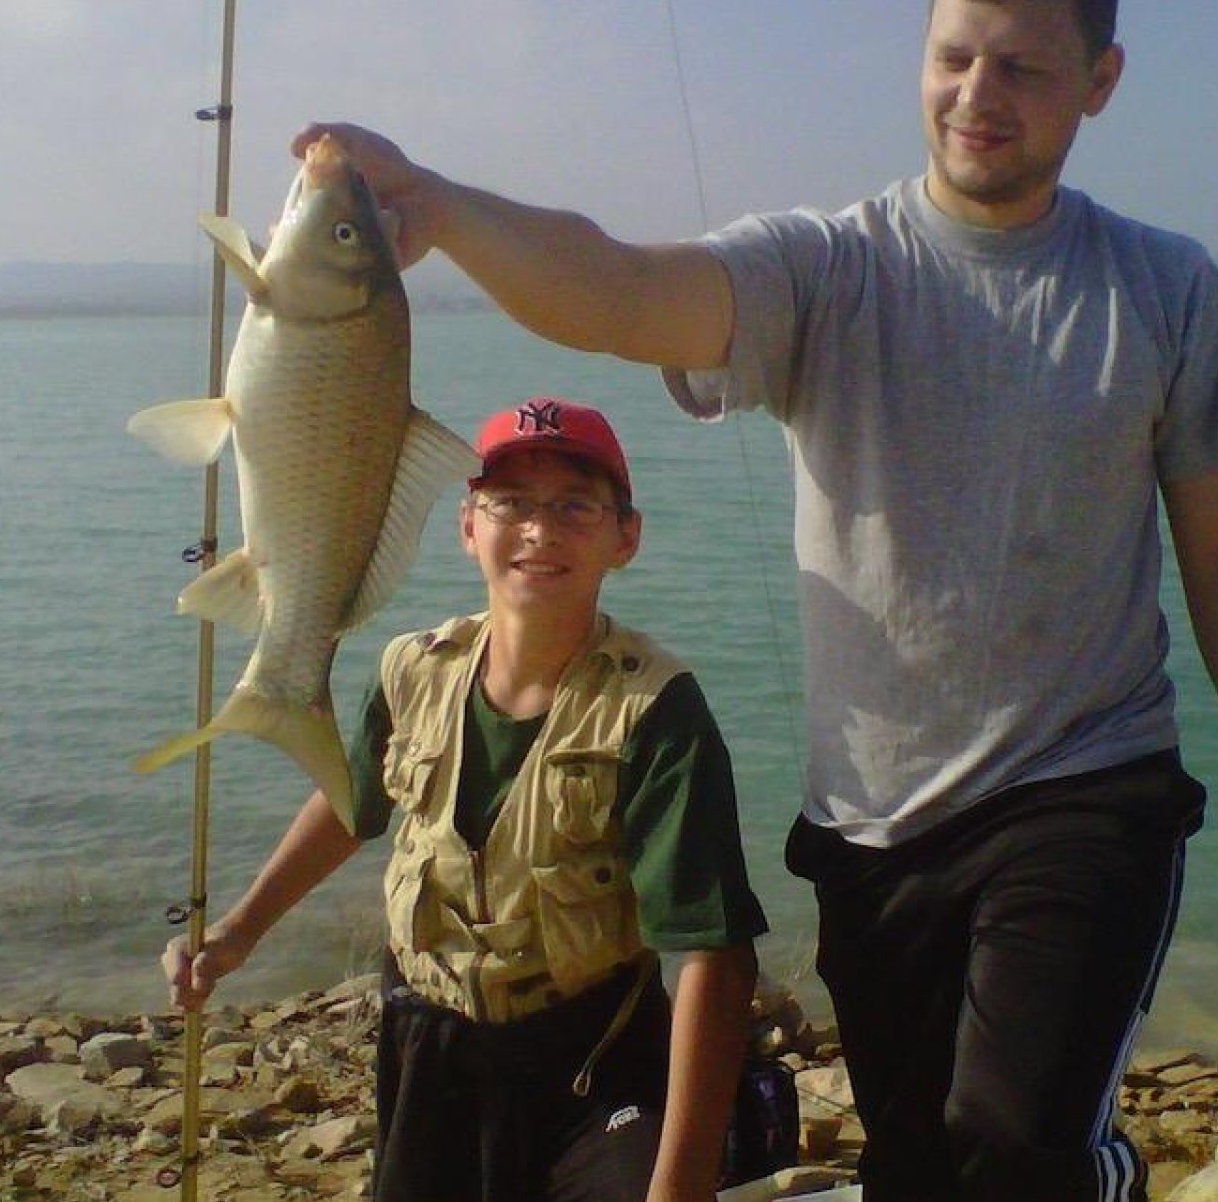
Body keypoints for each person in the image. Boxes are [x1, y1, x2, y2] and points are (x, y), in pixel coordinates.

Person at [291, 0, 1218, 1196]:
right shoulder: (829, 270)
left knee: (1015, 1140)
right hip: (873, 822)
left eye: (1024, 67)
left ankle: (1097, 1175)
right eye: (956, 57)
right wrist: (446, 207)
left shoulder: (1163, 289)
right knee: (913, 1161)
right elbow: (623, 288)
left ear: (1100, 80)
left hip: (1086, 783)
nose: (979, 95)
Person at [163, 397, 767, 1202]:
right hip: (431, 1046)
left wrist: (681, 1184)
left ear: (625, 536)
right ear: (468, 527)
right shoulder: (415, 668)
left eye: (573, 507)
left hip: (596, 1053)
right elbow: (351, 811)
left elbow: (714, 957)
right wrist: (235, 935)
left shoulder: (654, 709)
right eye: (509, 504)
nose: (537, 530)